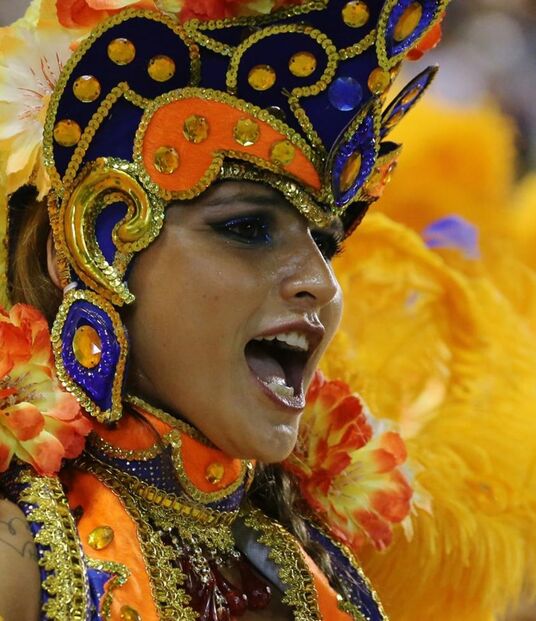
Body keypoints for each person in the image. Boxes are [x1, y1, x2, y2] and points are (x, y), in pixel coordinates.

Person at [0, 0, 449, 619]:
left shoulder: (314, 565)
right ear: (92, 245)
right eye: (246, 227)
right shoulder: (20, 562)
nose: (321, 284)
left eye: (325, 245)